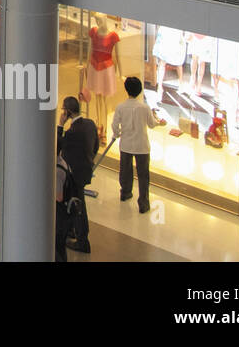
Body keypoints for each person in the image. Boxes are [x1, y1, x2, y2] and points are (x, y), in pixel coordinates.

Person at [111, 75, 163, 214]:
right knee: (143, 175)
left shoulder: (121, 107)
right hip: (142, 146)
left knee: (125, 171)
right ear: (140, 90)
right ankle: (143, 202)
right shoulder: (144, 107)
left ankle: (125, 193)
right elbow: (151, 124)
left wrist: (117, 134)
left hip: (126, 144)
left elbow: (114, 125)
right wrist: (159, 123)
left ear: (126, 90)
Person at [57, 95, 99, 254]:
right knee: (75, 201)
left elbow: (57, 146)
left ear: (67, 112)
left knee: (77, 204)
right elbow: (95, 147)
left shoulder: (72, 132)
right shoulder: (90, 124)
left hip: (75, 174)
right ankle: (74, 231)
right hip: (85, 169)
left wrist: (60, 125)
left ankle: (82, 241)